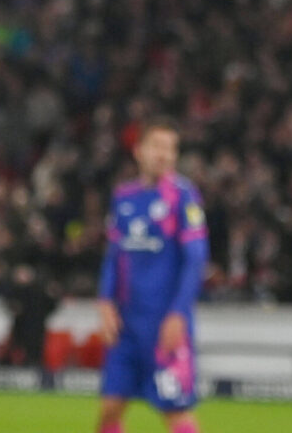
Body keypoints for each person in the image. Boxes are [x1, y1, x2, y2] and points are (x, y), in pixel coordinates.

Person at [95, 119, 209, 433]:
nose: (164, 155)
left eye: (171, 148)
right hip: (126, 325)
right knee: (109, 409)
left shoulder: (184, 196)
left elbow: (196, 260)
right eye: (157, 146)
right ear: (138, 151)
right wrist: (105, 301)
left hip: (164, 324)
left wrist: (178, 313)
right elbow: (114, 256)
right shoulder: (124, 197)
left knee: (175, 412)